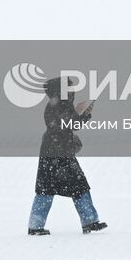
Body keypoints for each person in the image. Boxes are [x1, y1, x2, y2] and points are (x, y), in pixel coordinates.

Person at [28, 77, 108, 236]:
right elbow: (71, 124)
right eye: (70, 87)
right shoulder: (61, 104)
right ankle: (89, 221)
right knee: (75, 185)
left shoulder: (56, 103)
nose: (73, 90)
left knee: (48, 188)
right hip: (57, 152)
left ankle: (36, 225)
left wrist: (79, 113)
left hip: (53, 151)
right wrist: (85, 114)